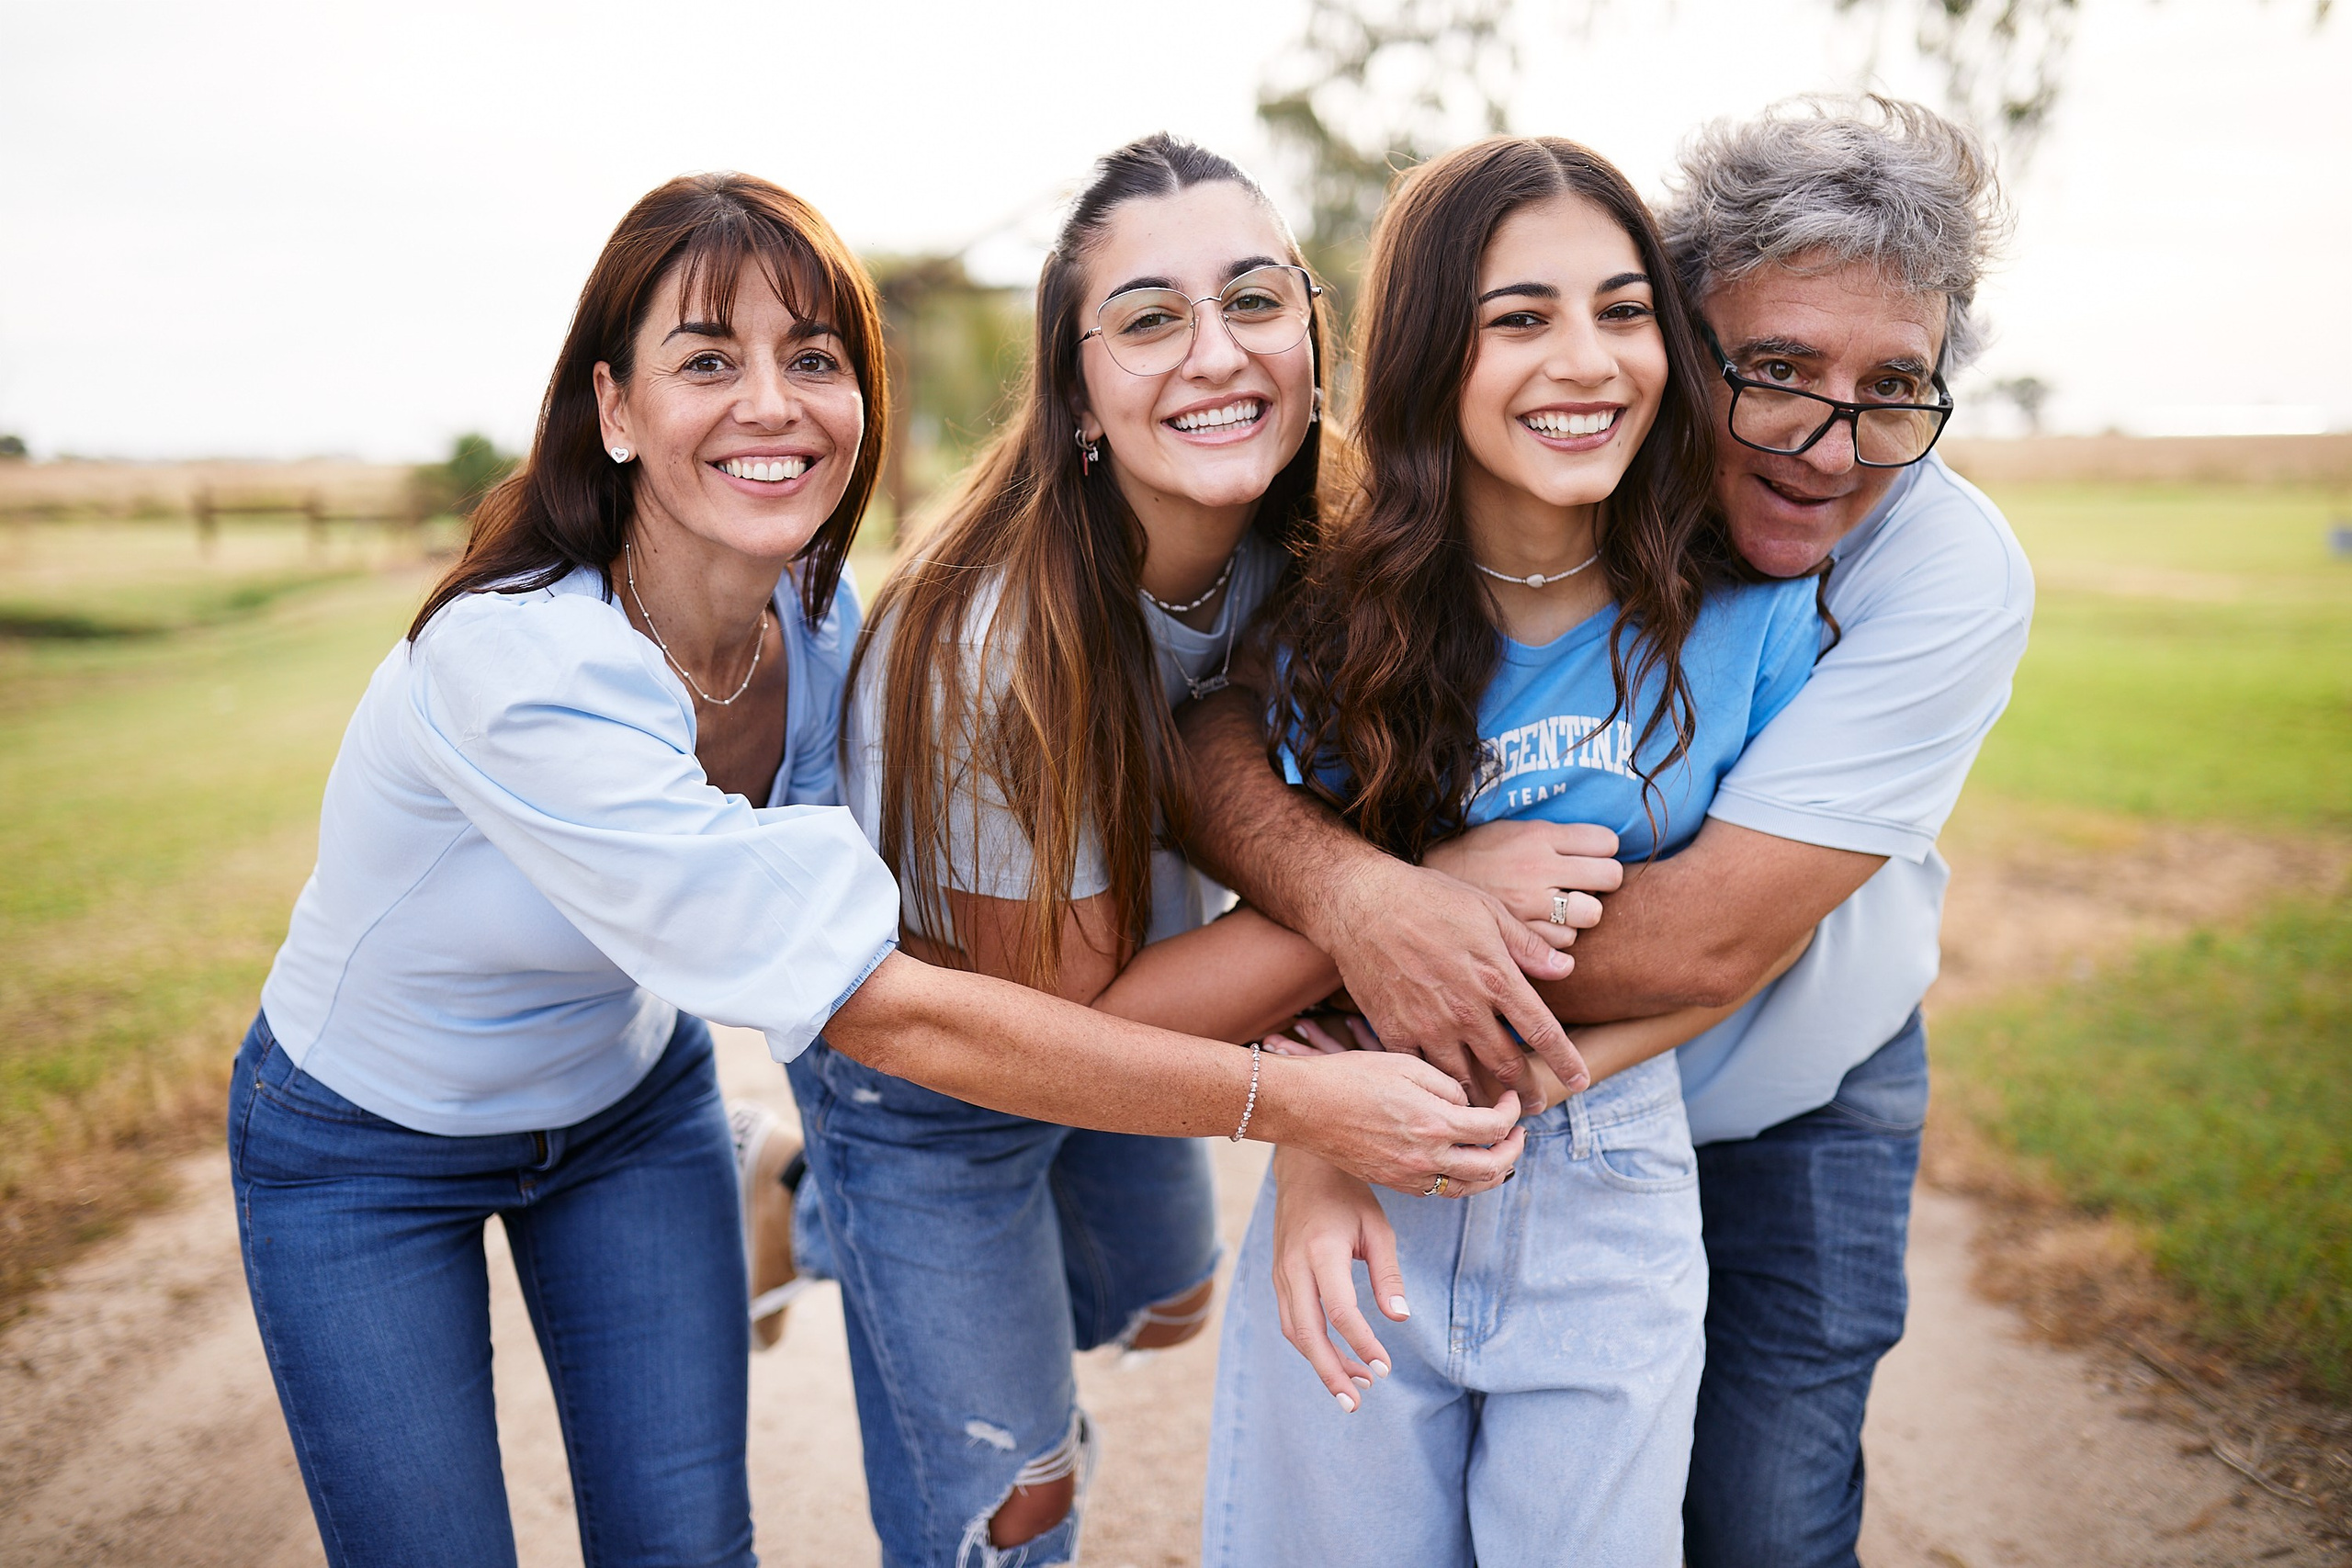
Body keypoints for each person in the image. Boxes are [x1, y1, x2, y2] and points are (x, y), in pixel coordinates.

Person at [227, 170, 1523, 1568]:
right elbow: (886, 1009)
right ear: (612, 409)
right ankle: (859, 1248)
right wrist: (1307, 1096)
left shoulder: (819, 610)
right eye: (707, 361)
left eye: (815, 358)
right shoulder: (522, 668)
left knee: (687, 1550)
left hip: (624, 1118)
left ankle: (794, 1203)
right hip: (369, 1142)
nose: (771, 403)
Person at [1178, 97, 2030, 1568]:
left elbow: (1714, 940)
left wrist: (1382, 962)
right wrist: (1371, 915)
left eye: (1895, 388)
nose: (1828, 447)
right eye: (1774, 374)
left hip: (1783, 1095)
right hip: (1460, 1128)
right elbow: (1223, 731)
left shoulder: (1919, 575)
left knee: (1758, 1522)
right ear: (1689, 343)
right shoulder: (1484, 524)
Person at [766, 131, 1445, 1568]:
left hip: (1118, 980)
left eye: (1256, 301)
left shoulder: (1317, 539)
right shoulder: (993, 641)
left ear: (1314, 339)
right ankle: (842, 1199)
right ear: (1078, 394)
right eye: (1148, 320)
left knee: (1168, 1296)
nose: (1215, 353)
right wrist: (1397, 906)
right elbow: (1062, 1033)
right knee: (1015, 1496)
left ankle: (796, 1207)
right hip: (935, 1062)